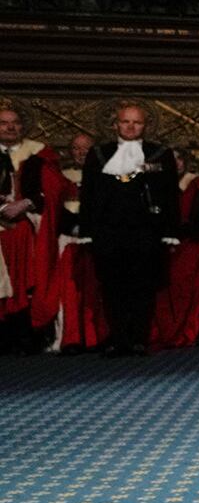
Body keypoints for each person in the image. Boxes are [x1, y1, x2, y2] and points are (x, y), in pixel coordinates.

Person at [77, 104, 178, 357]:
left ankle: (138, 339)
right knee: (112, 286)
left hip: (146, 231)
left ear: (145, 126)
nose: (131, 127)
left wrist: (170, 231)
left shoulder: (160, 154)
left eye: (137, 122)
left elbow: (170, 195)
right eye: (125, 122)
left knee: (143, 286)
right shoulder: (99, 153)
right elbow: (88, 194)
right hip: (108, 231)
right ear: (116, 124)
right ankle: (118, 338)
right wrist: (87, 230)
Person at [33, 132, 102, 350]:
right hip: (68, 240)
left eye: (86, 148)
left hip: (97, 241)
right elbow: (54, 209)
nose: (81, 153)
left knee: (96, 291)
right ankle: (70, 337)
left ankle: (95, 337)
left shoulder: (106, 174)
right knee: (68, 292)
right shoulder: (61, 176)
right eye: (76, 148)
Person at [0, 104, 61, 337]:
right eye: (4, 123)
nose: (10, 127)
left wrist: (24, 204)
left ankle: (23, 336)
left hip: (28, 227)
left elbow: (53, 191)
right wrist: (3, 208)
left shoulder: (39, 154)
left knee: (25, 278)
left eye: (15, 123)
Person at [152, 148, 199, 348]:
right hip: (164, 244)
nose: (177, 164)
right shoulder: (158, 184)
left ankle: (188, 327)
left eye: (180, 159)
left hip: (192, 242)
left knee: (182, 278)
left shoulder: (196, 184)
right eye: (172, 160)